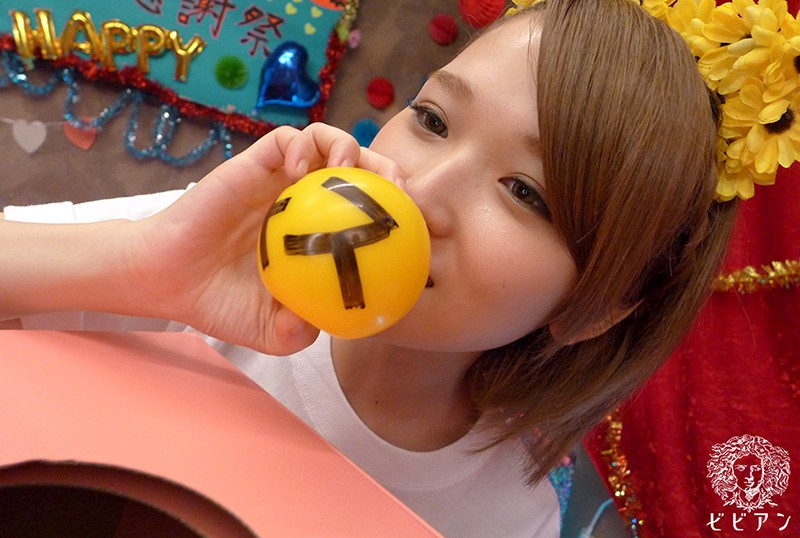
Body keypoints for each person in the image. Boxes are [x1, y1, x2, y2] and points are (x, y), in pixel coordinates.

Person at [0, 0, 737, 535]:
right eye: (433, 120)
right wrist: (138, 268)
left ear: (599, 308)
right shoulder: (209, 253)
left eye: (524, 193)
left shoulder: (513, 520)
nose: (419, 192)